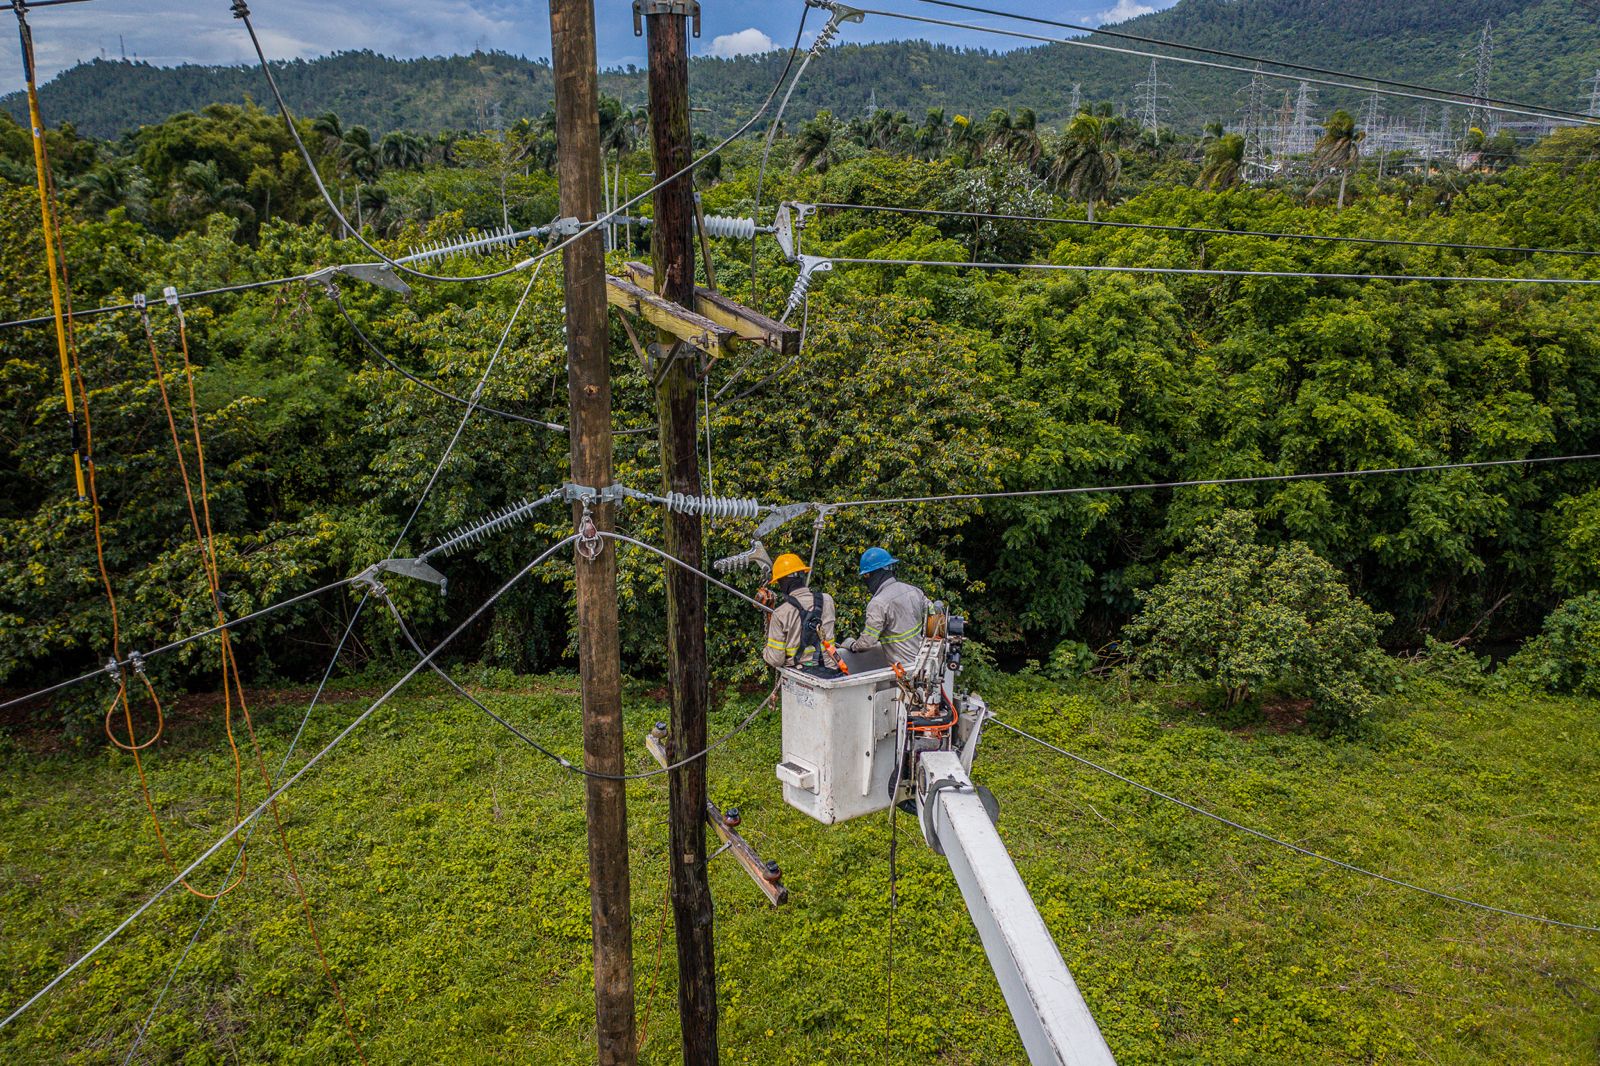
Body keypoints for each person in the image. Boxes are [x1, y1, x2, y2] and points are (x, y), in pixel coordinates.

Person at [842, 547, 927, 666]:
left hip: (905, 671)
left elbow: (867, 643)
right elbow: (934, 614)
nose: (866, 580)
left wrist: (852, 645)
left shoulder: (878, 603)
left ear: (874, 574)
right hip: (924, 663)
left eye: (866, 576)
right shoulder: (913, 590)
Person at [762, 553, 837, 670]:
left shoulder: (781, 613)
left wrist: (766, 652)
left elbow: (776, 659)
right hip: (831, 669)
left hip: (801, 675)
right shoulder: (827, 600)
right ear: (802, 575)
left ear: (783, 582)